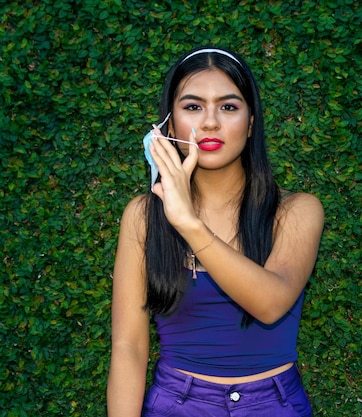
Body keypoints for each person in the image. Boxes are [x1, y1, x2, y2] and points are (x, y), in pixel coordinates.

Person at [107, 46, 324, 417]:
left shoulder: (295, 211)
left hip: (274, 404)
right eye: (193, 107)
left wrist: (189, 223)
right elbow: (129, 346)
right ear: (169, 124)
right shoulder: (143, 216)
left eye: (228, 107)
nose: (209, 123)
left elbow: (270, 304)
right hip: (176, 403)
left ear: (251, 121)